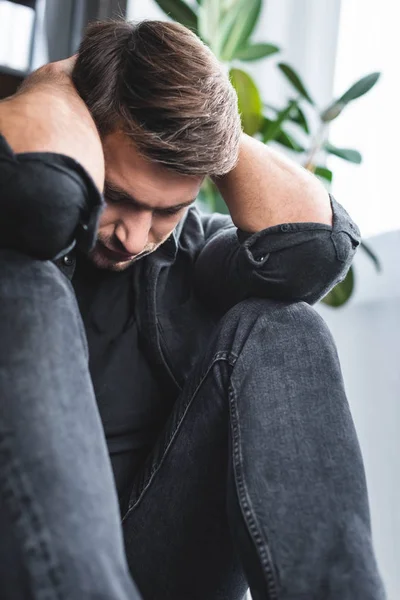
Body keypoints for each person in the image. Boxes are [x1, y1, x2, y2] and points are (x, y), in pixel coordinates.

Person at [0, 18, 385, 600]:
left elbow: (315, 248)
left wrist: (211, 133)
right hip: (27, 556)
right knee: (28, 286)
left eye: (167, 210)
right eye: (119, 196)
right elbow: (42, 193)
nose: (133, 235)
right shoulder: (23, 241)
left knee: (284, 323)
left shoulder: (199, 257)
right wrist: (59, 83)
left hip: (160, 557)